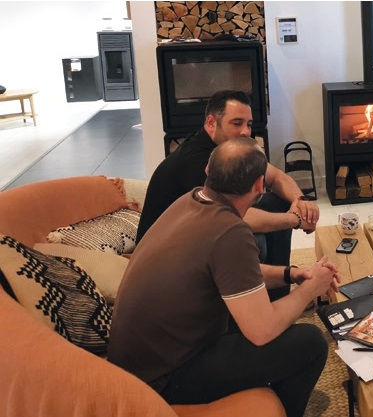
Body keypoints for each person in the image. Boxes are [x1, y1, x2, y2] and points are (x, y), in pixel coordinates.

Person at [109, 138, 340, 417]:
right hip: (165, 378)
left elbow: (233, 275)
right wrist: (310, 289)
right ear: (260, 185)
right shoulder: (230, 233)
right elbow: (262, 331)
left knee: (250, 318)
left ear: (208, 170)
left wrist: (291, 274)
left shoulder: (191, 200)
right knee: (310, 343)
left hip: (139, 363)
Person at [136, 90, 318, 300]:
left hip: (202, 228)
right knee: (251, 240)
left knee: (279, 202)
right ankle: (248, 300)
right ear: (211, 123)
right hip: (167, 256)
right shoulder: (197, 161)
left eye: (249, 124)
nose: (245, 132)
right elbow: (229, 219)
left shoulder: (231, 149)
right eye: (237, 123)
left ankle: (276, 296)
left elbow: (276, 176)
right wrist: (295, 220)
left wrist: (300, 202)